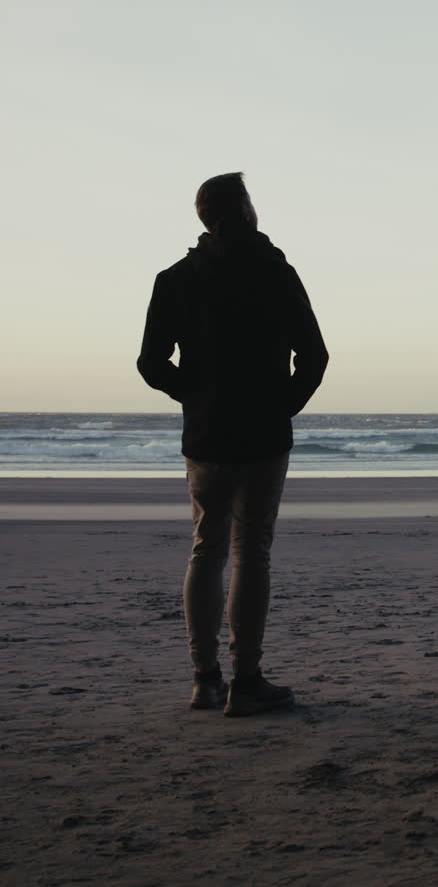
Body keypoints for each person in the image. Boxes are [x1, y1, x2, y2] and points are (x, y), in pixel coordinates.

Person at [137, 172, 329, 715]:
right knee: (252, 552)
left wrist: (196, 397)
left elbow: (151, 364)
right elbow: (314, 357)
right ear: (244, 212)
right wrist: (281, 406)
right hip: (263, 436)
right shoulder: (274, 271)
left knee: (207, 550)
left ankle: (205, 680)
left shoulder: (175, 278)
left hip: (206, 437)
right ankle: (246, 681)